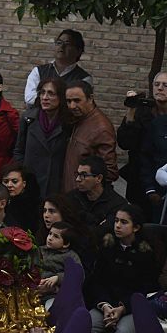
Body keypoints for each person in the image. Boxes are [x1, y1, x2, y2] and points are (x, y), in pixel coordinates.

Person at [88, 206, 160, 333]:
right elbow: (97, 280)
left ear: (136, 227)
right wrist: (105, 304)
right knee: (88, 327)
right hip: (105, 304)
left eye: (124, 222)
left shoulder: (146, 253)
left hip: (132, 306)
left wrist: (123, 308)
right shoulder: (107, 246)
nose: (117, 226)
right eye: (116, 221)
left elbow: (146, 288)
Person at [117, 72, 167, 216]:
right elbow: (124, 142)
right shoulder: (141, 111)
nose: (160, 88)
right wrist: (131, 110)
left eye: (165, 85)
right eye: (157, 85)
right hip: (139, 178)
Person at [14, 77, 71, 199]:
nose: (45, 97)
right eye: (42, 92)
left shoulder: (68, 124)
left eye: (51, 93)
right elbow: (19, 150)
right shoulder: (28, 119)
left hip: (55, 184)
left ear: (60, 97)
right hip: (30, 182)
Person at [63, 81, 118, 192]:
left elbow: (109, 172)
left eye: (77, 100)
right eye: (69, 101)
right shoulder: (80, 119)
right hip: (71, 194)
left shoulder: (101, 128)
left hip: (82, 198)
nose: (72, 106)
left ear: (90, 98)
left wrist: (86, 189)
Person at [24, 29, 92, 109]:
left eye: (67, 43)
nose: (62, 46)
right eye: (59, 43)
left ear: (78, 50)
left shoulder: (84, 79)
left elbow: (81, 105)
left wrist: (47, 99)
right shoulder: (38, 71)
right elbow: (29, 98)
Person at [67, 157, 127, 228]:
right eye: (77, 174)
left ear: (99, 178)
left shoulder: (117, 205)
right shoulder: (72, 197)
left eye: (84, 175)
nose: (78, 179)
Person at [38, 222, 82, 304]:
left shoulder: (70, 256)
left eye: (56, 236)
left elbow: (78, 274)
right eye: (50, 234)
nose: (50, 238)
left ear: (66, 244)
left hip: (55, 295)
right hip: (35, 291)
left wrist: (58, 278)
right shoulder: (39, 250)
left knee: (51, 309)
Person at [2, 162, 43, 236]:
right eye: (5, 181)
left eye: (14, 181)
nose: (9, 185)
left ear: (24, 183)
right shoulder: (1, 201)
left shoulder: (33, 205)